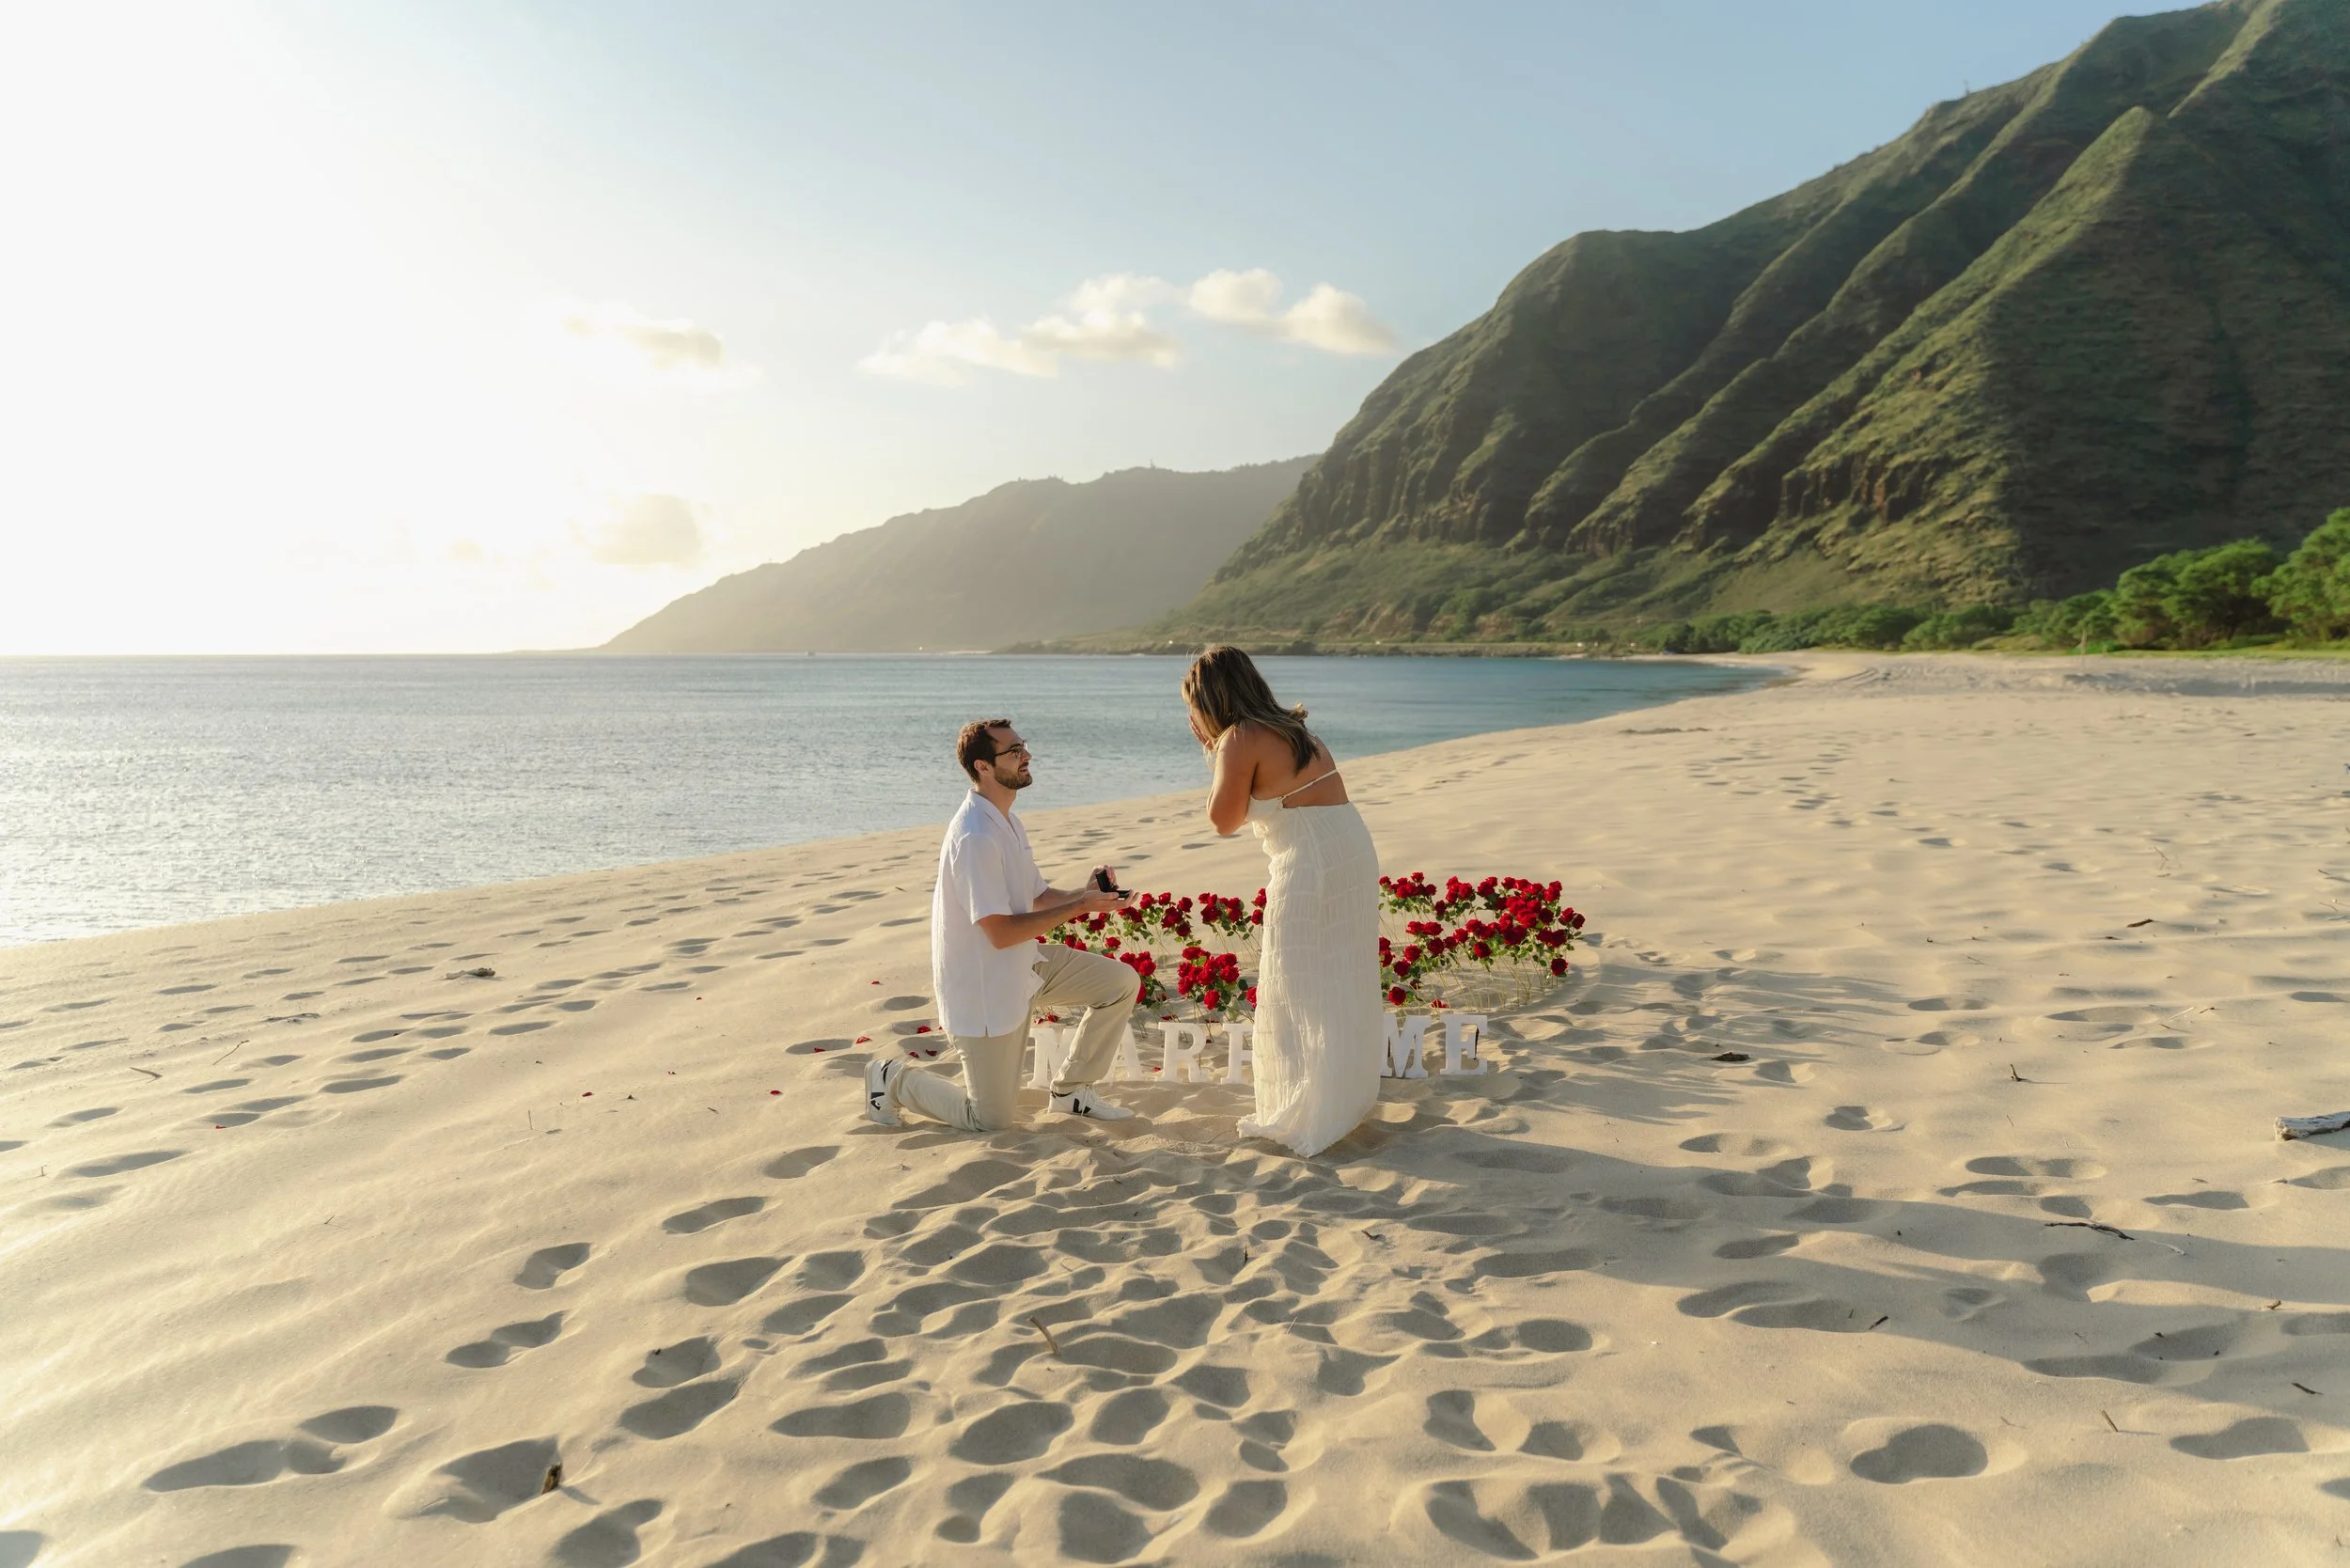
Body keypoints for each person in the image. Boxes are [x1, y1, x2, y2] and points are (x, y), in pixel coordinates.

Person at [864, 718, 1139, 1131]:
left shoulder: (1005, 818)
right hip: (984, 986)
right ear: (984, 767)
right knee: (989, 1118)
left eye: (1022, 746)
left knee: (1119, 983)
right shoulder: (975, 836)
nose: (1026, 755)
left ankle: (1072, 1092)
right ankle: (891, 1078)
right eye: (1013, 751)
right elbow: (999, 932)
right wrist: (1080, 906)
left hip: (1025, 964)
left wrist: (1086, 896)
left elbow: (1036, 896)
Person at [1183, 647, 1381, 1157]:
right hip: (1349, 849)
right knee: (1339, 972)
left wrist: (1211, 749)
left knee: (1296, 981)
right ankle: (1342, 1098)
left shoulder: (1238, 738)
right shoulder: (1295, 730)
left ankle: (1310, 1107)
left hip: (1312, 860)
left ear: (1209, 702)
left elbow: (1222, 821)